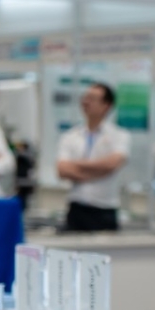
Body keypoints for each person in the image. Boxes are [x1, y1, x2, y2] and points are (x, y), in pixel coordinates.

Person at [55, 82, 131, 231]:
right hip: (76, 210)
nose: (86, 102)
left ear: (106, 106)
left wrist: (77, 166)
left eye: (92, 98)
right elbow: (62, 170)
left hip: (104, 211)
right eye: (85, 97)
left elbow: (112, 164)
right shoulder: (70, 136)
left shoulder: (119, 136)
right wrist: (100, 171)